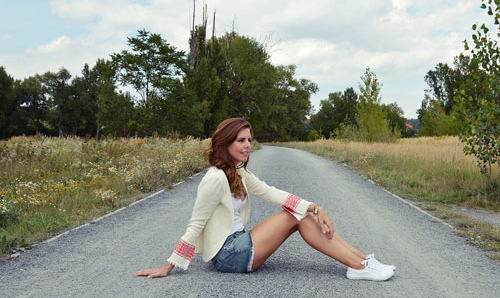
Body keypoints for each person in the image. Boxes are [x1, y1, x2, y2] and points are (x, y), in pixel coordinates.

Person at [134, 118, 395, 281]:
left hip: (238, 246)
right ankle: (357, 265)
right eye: (241, 140)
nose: (248, 145)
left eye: (250, 139)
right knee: (295, 215)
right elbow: (196, 223)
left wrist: (315, 207)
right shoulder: (214, 178)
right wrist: (168, 267)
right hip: (228, 255)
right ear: (225, 144)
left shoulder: (238, 172)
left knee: (300, 212)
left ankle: (362, 261)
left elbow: (271, 192)